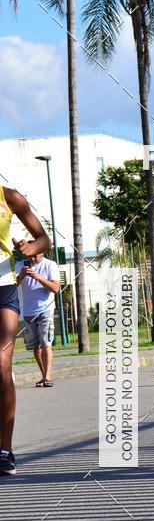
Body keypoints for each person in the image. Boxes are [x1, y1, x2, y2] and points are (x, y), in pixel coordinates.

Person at [0, 184, 51, 476]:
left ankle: (4, 451)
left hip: (3, 288)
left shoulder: (10, 197)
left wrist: (31, 248)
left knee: (2, 364)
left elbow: (44, 239)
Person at [16, 249, 60, 387]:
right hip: (28, 311)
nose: (33, 259)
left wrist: (37, 277)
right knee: (35, 347)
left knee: (46, 343)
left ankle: (48, 377)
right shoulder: (20, 265)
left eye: (36, 256)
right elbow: (11, 286)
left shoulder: (50, 265)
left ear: (42, 252)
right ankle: (43, 376)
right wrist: (21, 275)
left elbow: (55, 288)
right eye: (30, 256)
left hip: (45, 309)